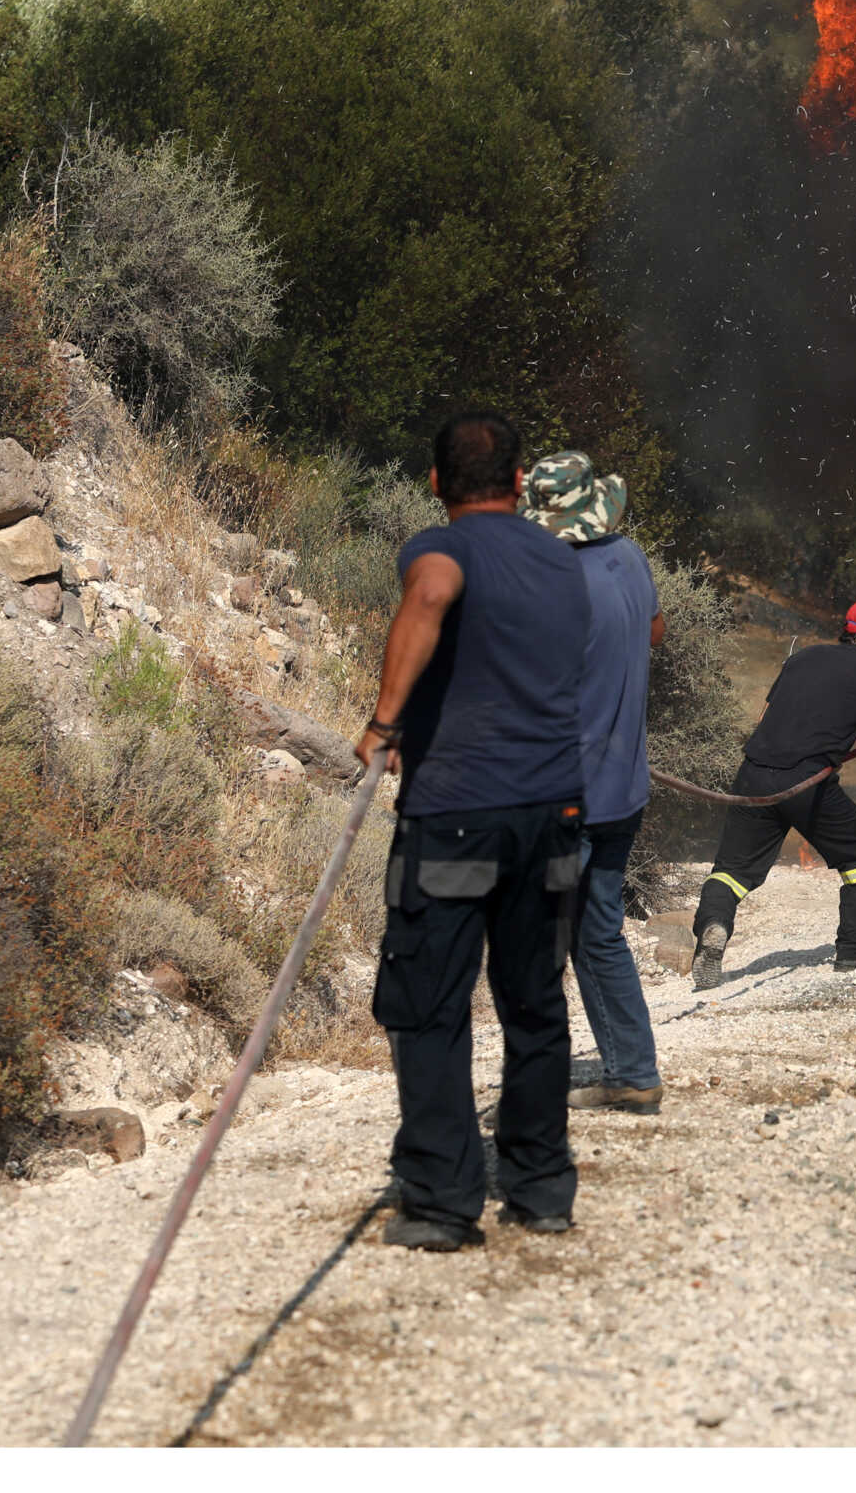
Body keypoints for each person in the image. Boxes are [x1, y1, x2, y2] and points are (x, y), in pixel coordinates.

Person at [353, 411, 589, 1252]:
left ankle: (444, 1199)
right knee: (534, 1002)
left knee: (428, 1004)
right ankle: (540, 1187)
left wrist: (384, 724)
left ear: (434, 483)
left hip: (455, 816)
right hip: (554, 815)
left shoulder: (434, 547)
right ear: (520, 484)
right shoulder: (565, 564)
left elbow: (432, 594)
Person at [689, 598, 856, 991]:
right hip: (807, 782)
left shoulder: (802, 658)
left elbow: (764, 716)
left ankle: (714, 926)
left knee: (733, 870)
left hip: (754, 774)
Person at [517, 452, 669, 1116]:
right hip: (623, 786)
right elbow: (655, 631)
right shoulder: (629, 557)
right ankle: (632, 1072)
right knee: (595, 928)